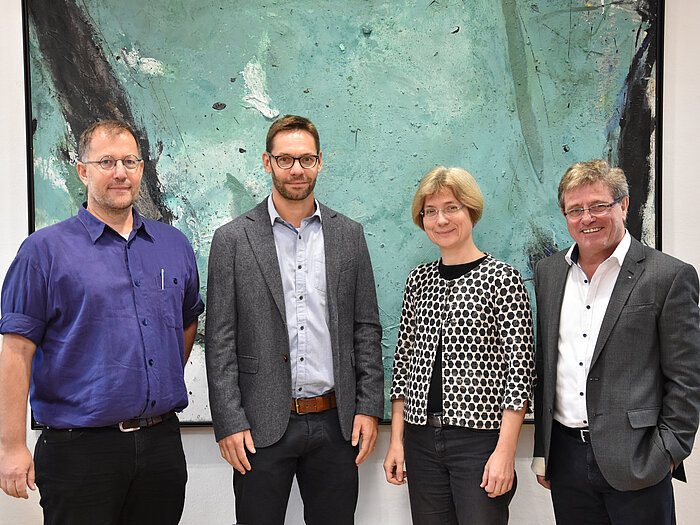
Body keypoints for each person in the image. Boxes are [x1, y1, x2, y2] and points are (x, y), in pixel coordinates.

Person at [0, 120, 205, 523]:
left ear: (141, 168)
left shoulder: (174, 245)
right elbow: (16, 351)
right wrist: (11, 446)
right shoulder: (43, 251)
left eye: (129, 161)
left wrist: (149, 383)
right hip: (78, 452)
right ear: (83, 171)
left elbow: (186, 322)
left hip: (161, 446)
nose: (120, 173)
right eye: (107, 162)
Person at [205, 114, 383, 525]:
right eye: (285, 159)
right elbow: (220, 341)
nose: (296, 169)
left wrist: (369, 408)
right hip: (260, 426)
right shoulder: (232, 239)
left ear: (320, 161)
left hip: (335, 424)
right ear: (267, 162)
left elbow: (366, 329)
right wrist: (229, 422)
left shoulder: (349, 235)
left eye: (305, 159)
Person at [532, 159, 700, 525]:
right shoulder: (549, 272)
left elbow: (687, 378)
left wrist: (668, 452)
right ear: (565, 215)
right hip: (566, 461)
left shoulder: (668, 276)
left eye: (598, 206)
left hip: (638, 460)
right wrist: (544, 451)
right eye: (575, 210)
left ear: (623, 205)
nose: (587, 218)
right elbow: (546, 364)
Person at [383, 166, 535, 525]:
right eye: (431, 211)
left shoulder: (502, 279)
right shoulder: (418, 280)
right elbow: (403, 365)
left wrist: (505, 452)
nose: (441, 220)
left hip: (479, 440)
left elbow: (520, 373)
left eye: (451, 207)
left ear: (471, 210)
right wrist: (397, 441)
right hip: (420, 440)